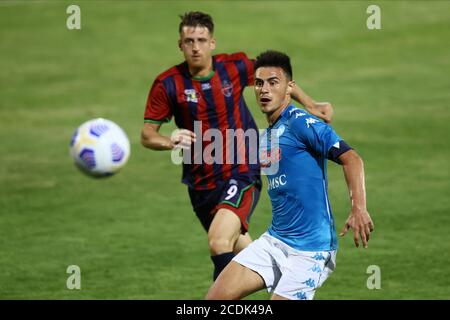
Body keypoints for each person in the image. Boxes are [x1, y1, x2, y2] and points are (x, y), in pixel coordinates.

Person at [141, 12, 333, 281]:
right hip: (201, 184)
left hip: (241, 170)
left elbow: (275, 77)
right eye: (188, 41)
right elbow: (147, 135)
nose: (195, 47)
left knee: (218, 241)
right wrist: (169, 140)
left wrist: (310, 104)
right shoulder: (168, 84)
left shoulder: (234, 67)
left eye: (201, 40)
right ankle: (293, 283)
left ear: (212, 43)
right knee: (246, 257)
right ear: (180, 44)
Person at [206, 50, 374, 300]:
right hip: (275, 241)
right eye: (259, 83)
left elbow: (352, 159)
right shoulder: (266, 137)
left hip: (311, 251)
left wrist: (358, 208)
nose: (264, 90)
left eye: (273, 83)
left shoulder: (302, 123)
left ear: (289, 87)